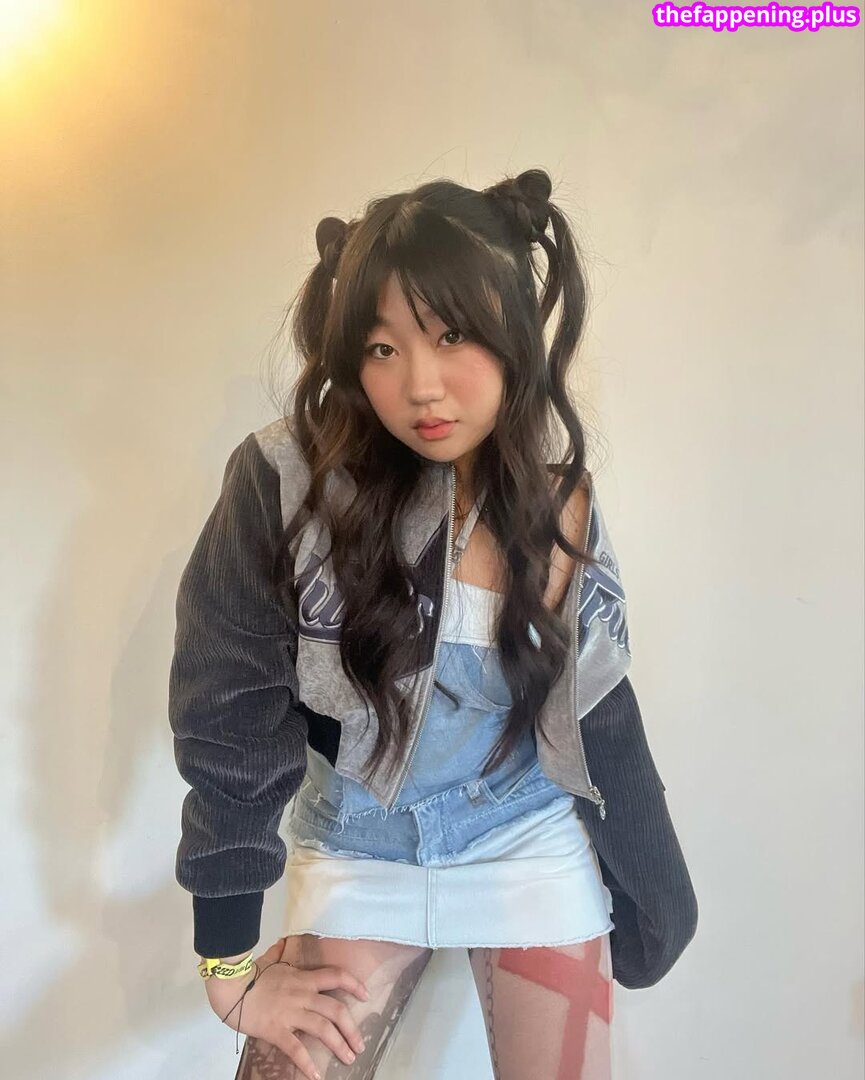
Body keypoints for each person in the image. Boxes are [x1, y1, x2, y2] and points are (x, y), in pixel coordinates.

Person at [168, 168, 698, 1080]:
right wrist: (225, 960)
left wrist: (659, 898)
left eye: (452, 335)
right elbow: (229, 713)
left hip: (525, 846)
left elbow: (597, 711)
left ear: (511, 329)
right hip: (357, 847)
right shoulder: (283, 481)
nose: (420, 385)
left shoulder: (558, 502)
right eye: (381, 348)